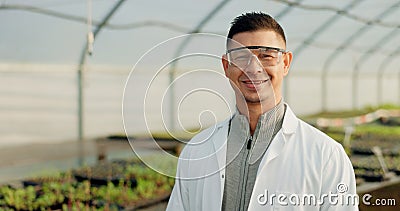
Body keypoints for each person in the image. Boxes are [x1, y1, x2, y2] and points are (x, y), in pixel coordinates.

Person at [167, 12, 357, 210]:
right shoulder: (196, 151)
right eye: (241, 57)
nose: (254, 68)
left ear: (285, 63)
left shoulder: (325, 156)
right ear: (226, 66)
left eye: (266, 56)